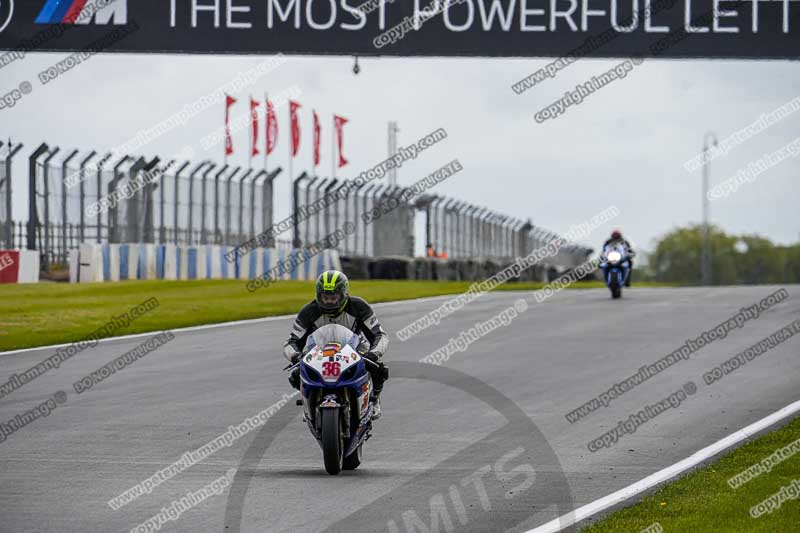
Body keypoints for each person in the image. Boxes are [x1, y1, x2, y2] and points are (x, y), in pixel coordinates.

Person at [283, 270, 389, 420]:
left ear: (344, 294)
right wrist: (295, 356)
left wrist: (374, 353)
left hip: (354, 350)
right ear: (318, 295)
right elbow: (292, 341)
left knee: (379, 369)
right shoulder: (309, 312)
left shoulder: (359, 307)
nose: (329, 302)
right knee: (296, 374)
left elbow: (379, 335)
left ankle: (374, 399)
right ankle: (310, 402)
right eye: (325, 297)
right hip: (319, 353)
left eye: (334, 297)